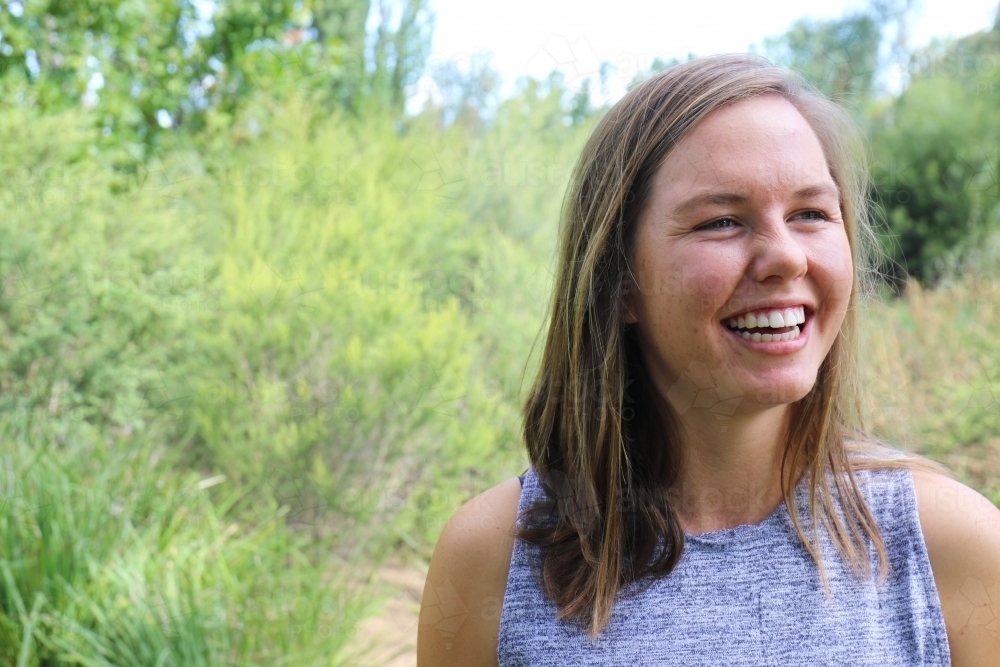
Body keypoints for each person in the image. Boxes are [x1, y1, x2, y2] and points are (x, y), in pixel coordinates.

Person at [417, 53, 1000, 666]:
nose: (787, 258)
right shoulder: (490, 559)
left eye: (810, 213)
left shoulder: (953, 547)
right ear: (619, 282)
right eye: (721, 221)